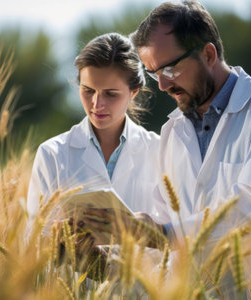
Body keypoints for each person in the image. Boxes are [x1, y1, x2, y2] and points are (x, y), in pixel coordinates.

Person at [129, 0, 251, 257]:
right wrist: (107, 262)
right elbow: (165, 247)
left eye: (170, 68)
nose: (162, 85)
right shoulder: (172, 133)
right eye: (153, 73)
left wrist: (163, 234)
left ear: (208, 55)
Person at [27, 33, 169, 241]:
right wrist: (59, 244)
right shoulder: (52, 154)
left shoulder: (160, 151)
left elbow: (174, 240)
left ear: (133, 92)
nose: (97, 104)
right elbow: (32, 241)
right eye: (88, 91)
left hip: (141, 274)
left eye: (110, 94)